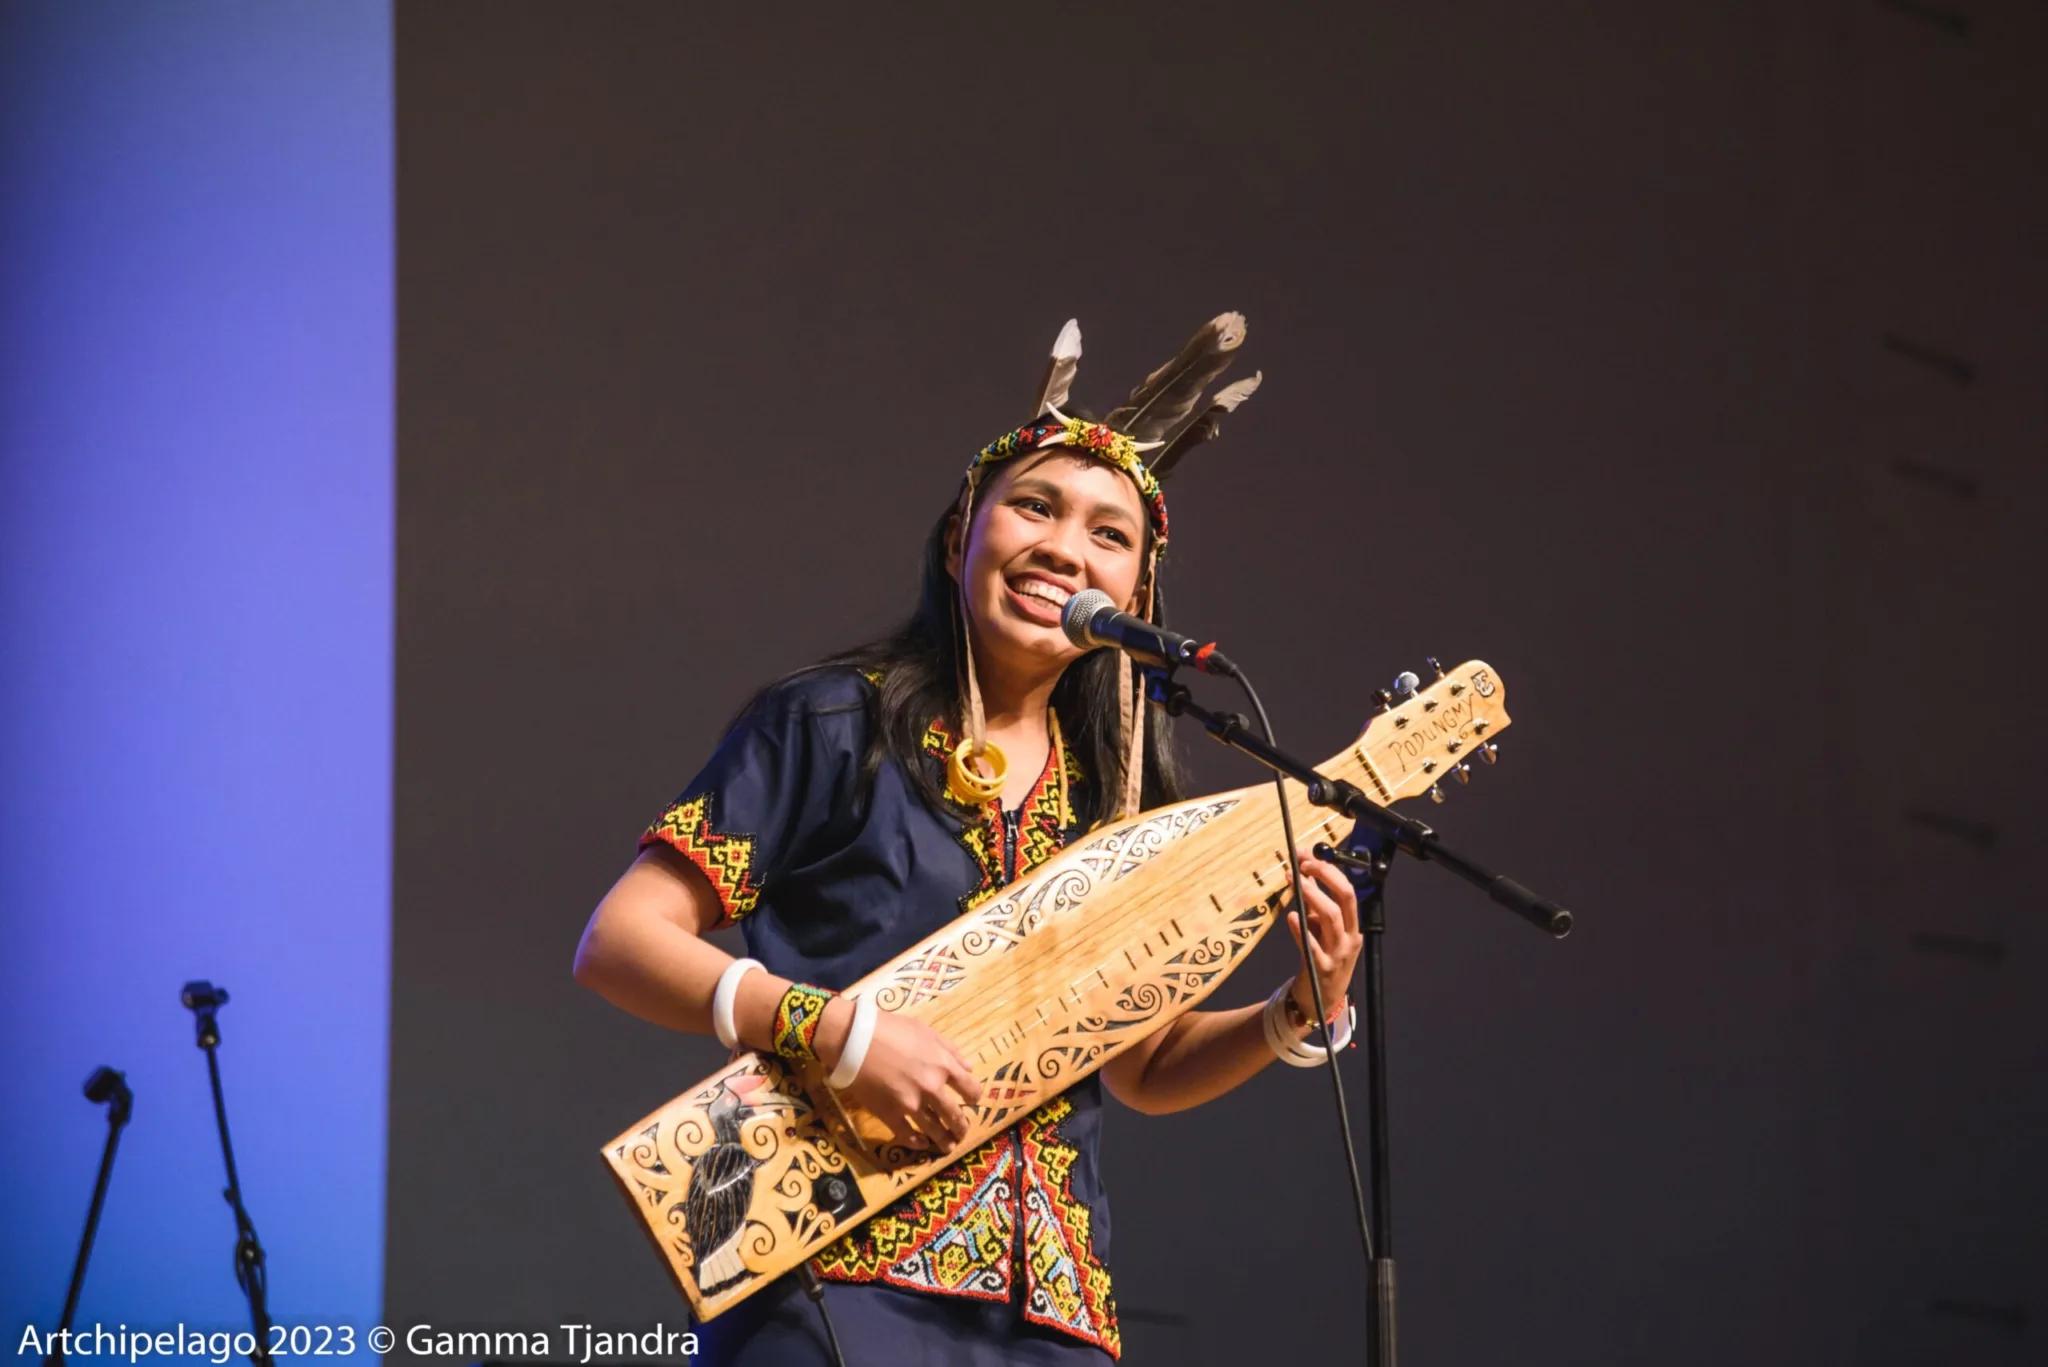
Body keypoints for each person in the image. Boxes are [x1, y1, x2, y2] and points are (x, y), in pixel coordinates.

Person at [573, 314, 1364, 1365]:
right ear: (961, 539)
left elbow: (1142, 1061)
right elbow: (619, 941)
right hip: (825, 1272)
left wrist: (1295, 1010)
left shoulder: (1112, 800)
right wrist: (835, 1033)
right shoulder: (832, 723)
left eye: (1106, 532)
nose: (1062, 547)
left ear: (1135, 591)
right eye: (1033, 506)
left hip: (1050, 1314)